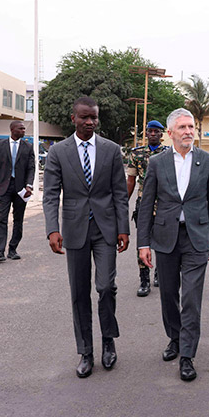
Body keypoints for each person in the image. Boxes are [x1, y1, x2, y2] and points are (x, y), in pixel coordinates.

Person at [43, 96, 130, 378]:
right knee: (79, 293)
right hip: (74, 229)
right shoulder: (59, 152)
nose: (90, 122)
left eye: (93, 117)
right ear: (74, 119)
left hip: (105, 229)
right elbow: (51, 194)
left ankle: (108, 340)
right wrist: (52, 229)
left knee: (106, 287)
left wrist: (123, 229)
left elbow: (120, 193)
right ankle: (85, 351)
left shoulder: (111, 150)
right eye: (84, 117)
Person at [137, 108, 209, 382]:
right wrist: (143, 243)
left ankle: (187, 355)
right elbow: (146, 203)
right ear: (170, 133)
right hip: (165, 236)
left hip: (196, 236)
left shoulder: (208, 161)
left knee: (191, 298)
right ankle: (174, 337)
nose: (188, 132)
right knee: (168, 294)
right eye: (183, 127)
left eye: (191, 127)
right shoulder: (157, 163)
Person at [127, 120, 167, 296]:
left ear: (161, 135)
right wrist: (122, 203)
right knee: (142, 241)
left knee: (163, 240)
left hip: (165, 204)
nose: (152, 134)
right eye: (149, 131)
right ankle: (144, 280)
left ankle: (159, 274)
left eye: (156, 131)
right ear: (146, 134)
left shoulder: (168, 153)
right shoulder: (136, 154)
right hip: (144, 204)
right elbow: (131, 180)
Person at [0, 121, 35, 262]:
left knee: (18, 220)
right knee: (1, 219)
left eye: (23, 128)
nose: (23, 131)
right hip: (3, 187)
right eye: (20, 128)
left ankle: (13, 249)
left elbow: (31, 168)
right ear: (12, 129)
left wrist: (29, 186)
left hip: (21, 189)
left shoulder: (28, 146)